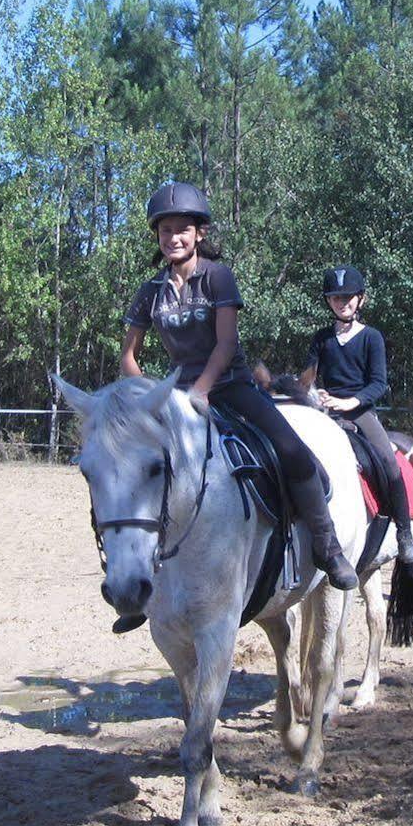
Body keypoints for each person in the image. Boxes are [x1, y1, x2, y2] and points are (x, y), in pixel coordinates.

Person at [120, 181, 357, 598]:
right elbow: (128, 357)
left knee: (292, 450)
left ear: (200, 234)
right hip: (177, 396)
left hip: (231, 386)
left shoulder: (217, 278)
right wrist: (149, 395)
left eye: (182, 230)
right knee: (131, 469)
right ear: (156, 237)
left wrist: (202, 391)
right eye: (165, 231)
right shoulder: (149, 292)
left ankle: (327, 546)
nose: (173, 237)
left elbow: (226, 344)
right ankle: (135, 574)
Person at [305, 265, 413, 567]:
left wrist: (349, 402)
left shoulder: (372, 338)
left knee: (388, 462)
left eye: (347, 297)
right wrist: (316, 393)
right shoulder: (321, 338)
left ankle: (405, 536)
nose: (341, 303)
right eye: (335, 298)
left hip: (360, 412)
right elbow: (310, 375)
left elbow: (378, 383)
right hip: (325, 411)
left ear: (361, 299)